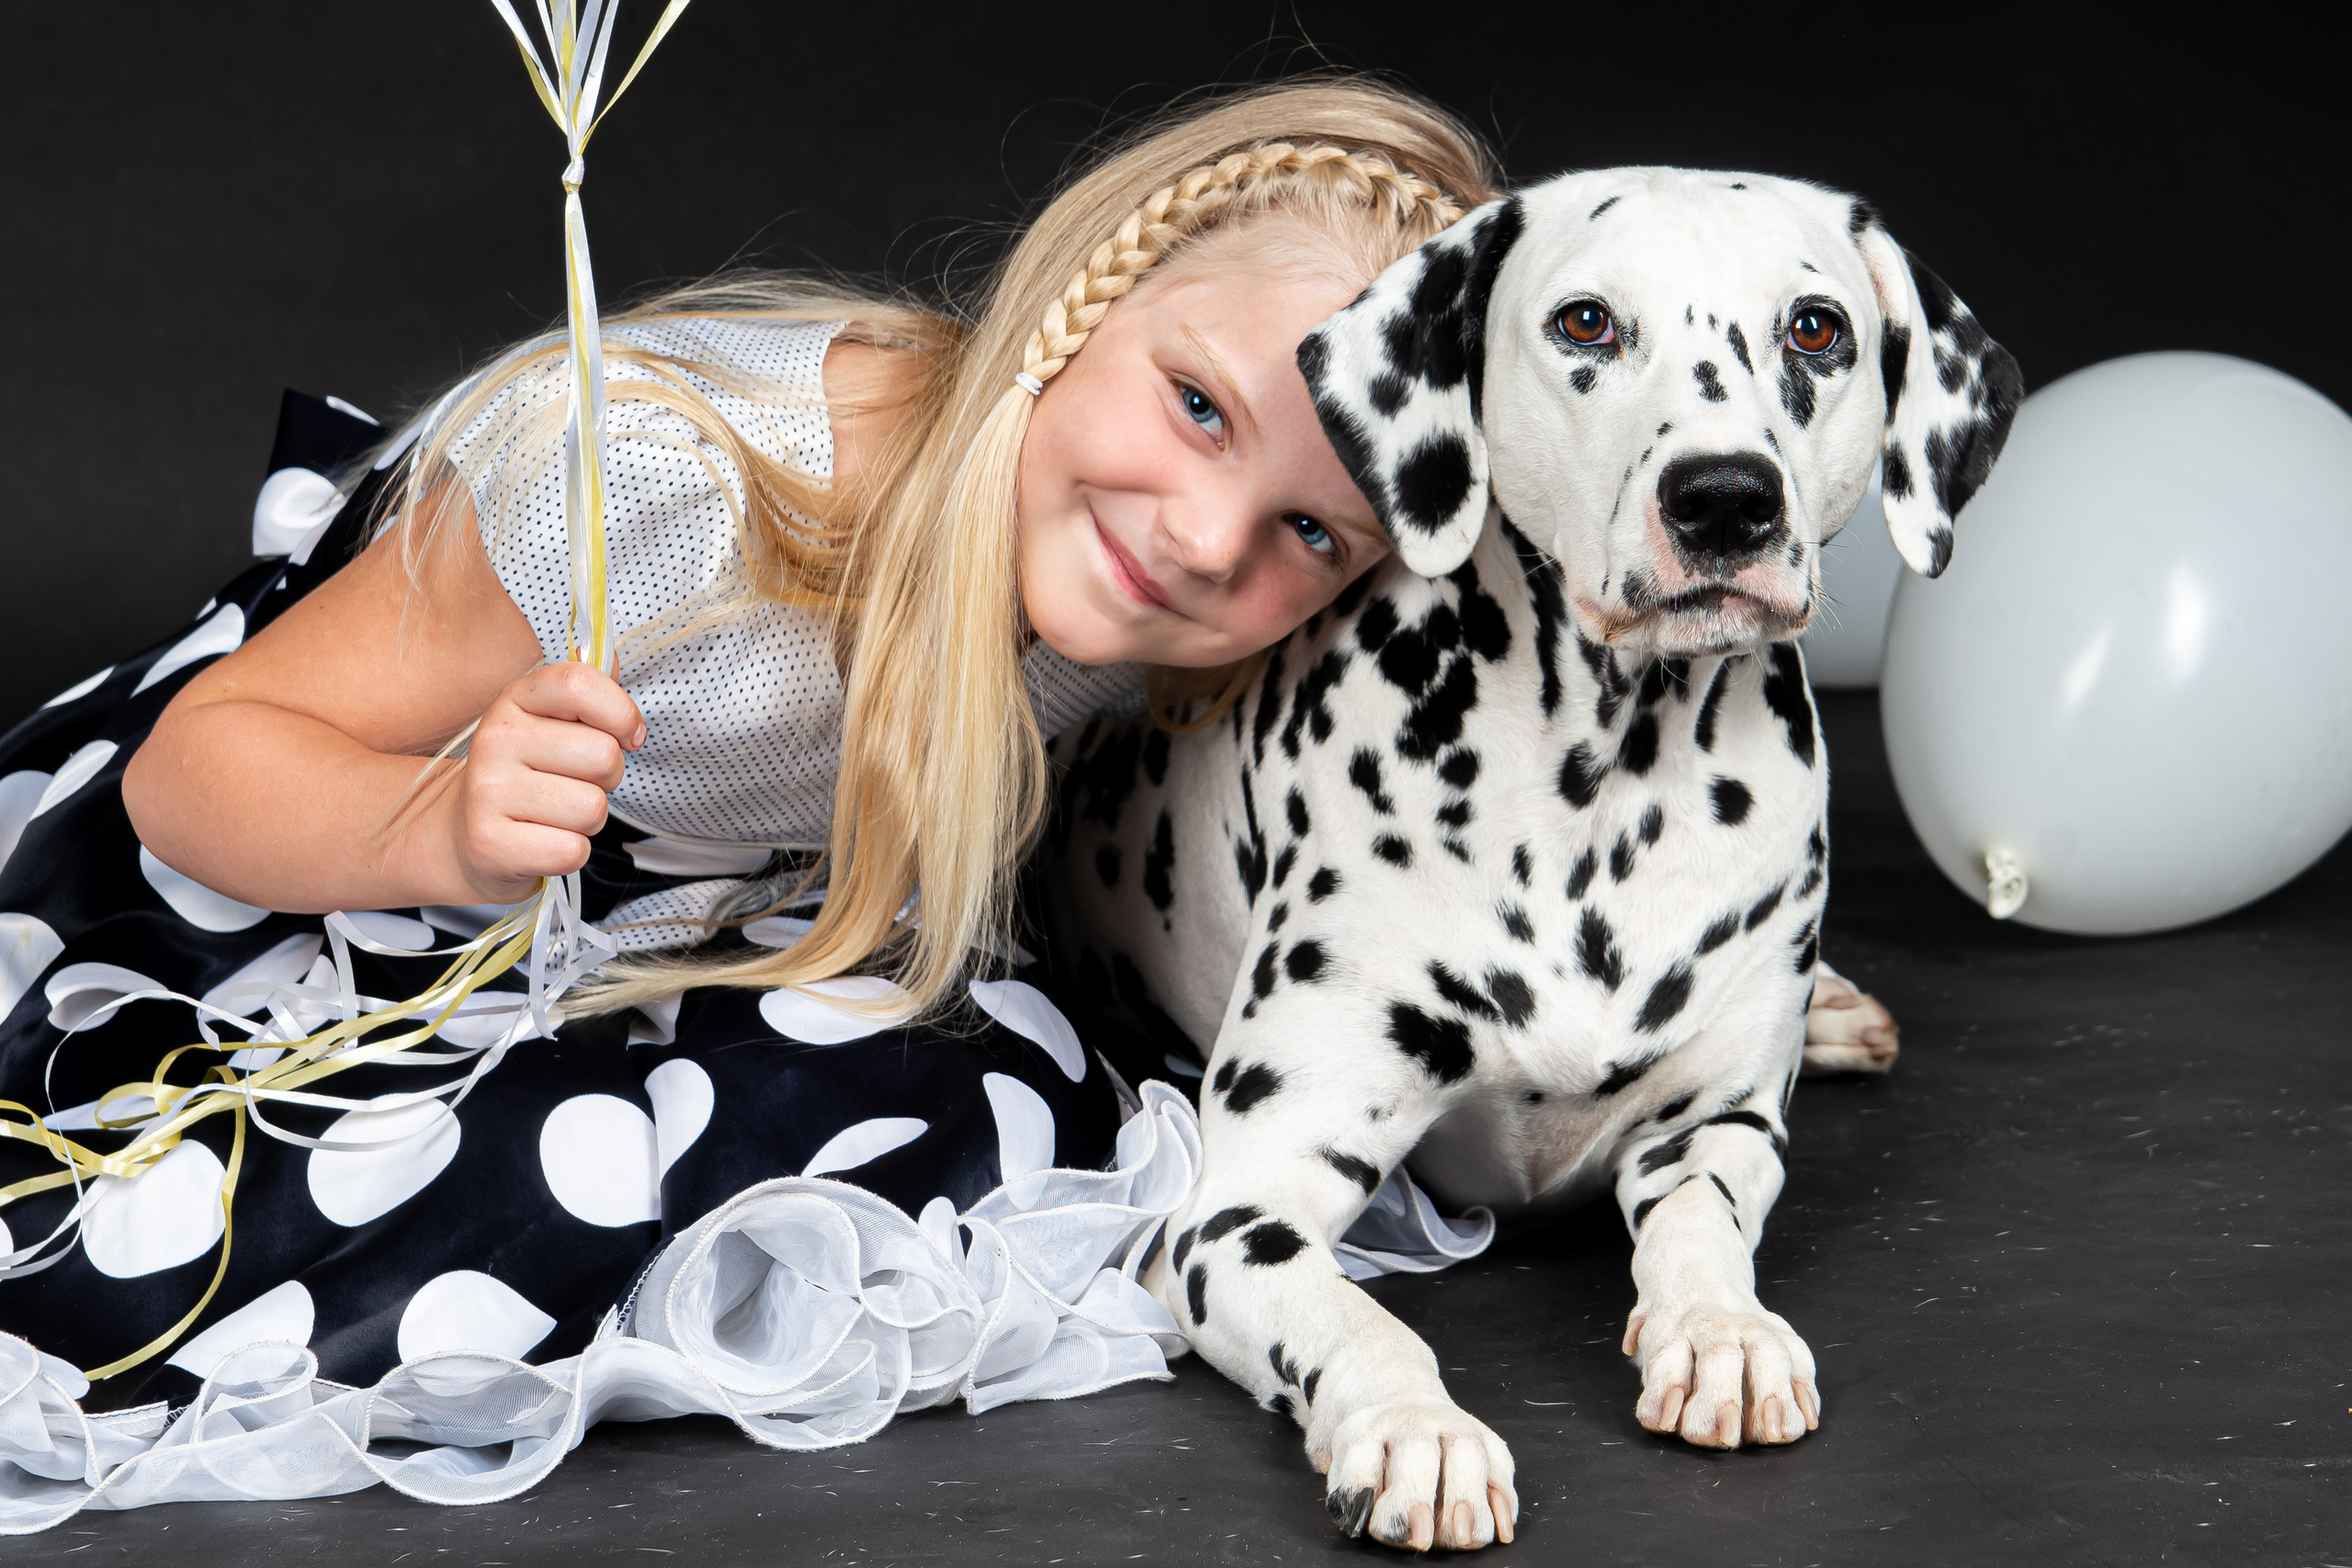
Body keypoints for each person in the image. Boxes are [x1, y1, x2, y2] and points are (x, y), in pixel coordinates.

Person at [0, 79, 1499, 1427]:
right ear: (1082, 301)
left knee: (992, 1096)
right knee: (490, 1185)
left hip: (719, 904)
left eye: (1313, 531)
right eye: (1196, 408)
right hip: (346, 840)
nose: (1199, 542)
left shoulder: (1145, 613)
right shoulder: (659, 482)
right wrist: (433, 826)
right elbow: (199, 768)